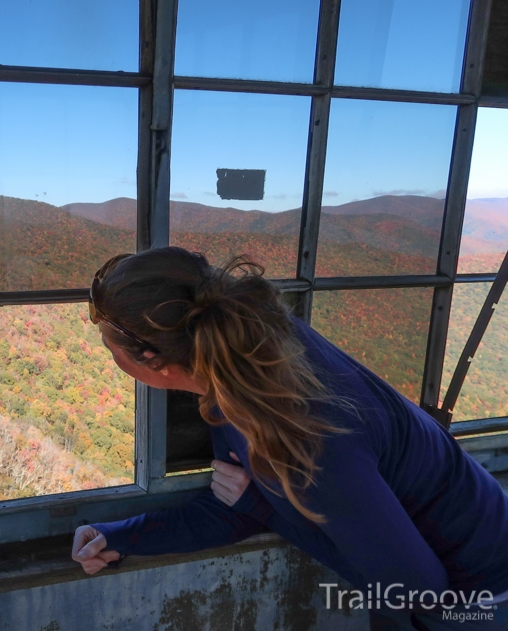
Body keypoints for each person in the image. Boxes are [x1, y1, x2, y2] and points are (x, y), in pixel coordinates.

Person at [70, 247, 508, 630]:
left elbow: (416, 591)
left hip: (478, 596)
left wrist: (267, 511)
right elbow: (235, 501)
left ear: (153, 362)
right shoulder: (250, 355)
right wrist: (120, 535)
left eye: (109, 346)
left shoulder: (301, 439)